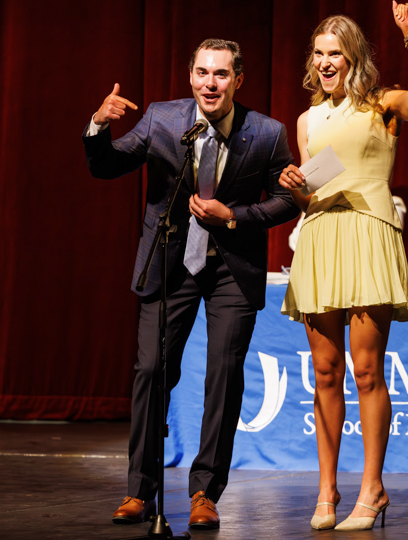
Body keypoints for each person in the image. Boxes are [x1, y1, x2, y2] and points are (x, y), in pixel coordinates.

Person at [83, 39, 299, 529]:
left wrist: (234, 217)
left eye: (221, 75)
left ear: (237, 81)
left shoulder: (266, 132)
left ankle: (205, 492)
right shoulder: (163, 119)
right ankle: (139, 491)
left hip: (232, 266)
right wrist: (99, 123)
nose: (210, 83)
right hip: (170, 262)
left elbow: (287, 201)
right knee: (150, 371)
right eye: (202, 73)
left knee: (223, 376)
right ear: (190, 78)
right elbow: (107, 165)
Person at [279, 2, 408, 531]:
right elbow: (309, 195)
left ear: (354, 57)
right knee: (325, 373)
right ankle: (326, 490)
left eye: (335, 54)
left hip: (368, 235)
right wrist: (297, 190)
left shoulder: (380, 104)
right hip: (321, 236)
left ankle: (372, 489)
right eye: (319, 54)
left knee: (366, 371)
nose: (326, 63)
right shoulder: (306, 119)